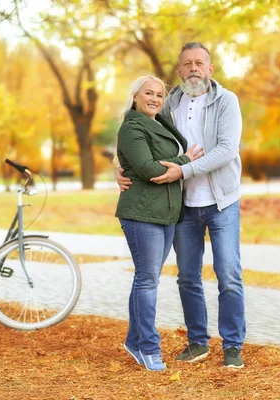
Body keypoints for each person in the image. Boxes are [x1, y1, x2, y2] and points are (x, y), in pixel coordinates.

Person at [117, 42, 246, 369]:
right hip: (183, 206)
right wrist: (120, 168)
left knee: (228, 273)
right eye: (186, 63)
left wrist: (183, 168)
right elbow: (137, 135)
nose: (193, 68)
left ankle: (232, 345)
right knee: (187, 277)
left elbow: (227, 149)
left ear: (210, 68)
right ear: (179, 71)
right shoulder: (168, 101)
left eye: (199, 62)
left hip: (221, 202)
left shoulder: (226, 101)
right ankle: (198, 342)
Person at [115, 75, 203, 371]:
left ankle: (134, 340)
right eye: (148, 93)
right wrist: (185, 160)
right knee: (147, 280)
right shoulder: (132, 127)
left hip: (165, 213)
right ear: (135, 96)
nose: (154, 98)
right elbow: (150, 169)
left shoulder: (159, 122)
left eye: (159, 95)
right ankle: (149, 347)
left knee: (145, 278)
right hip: (141, 213)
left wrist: (178, 163)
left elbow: (160, 165)